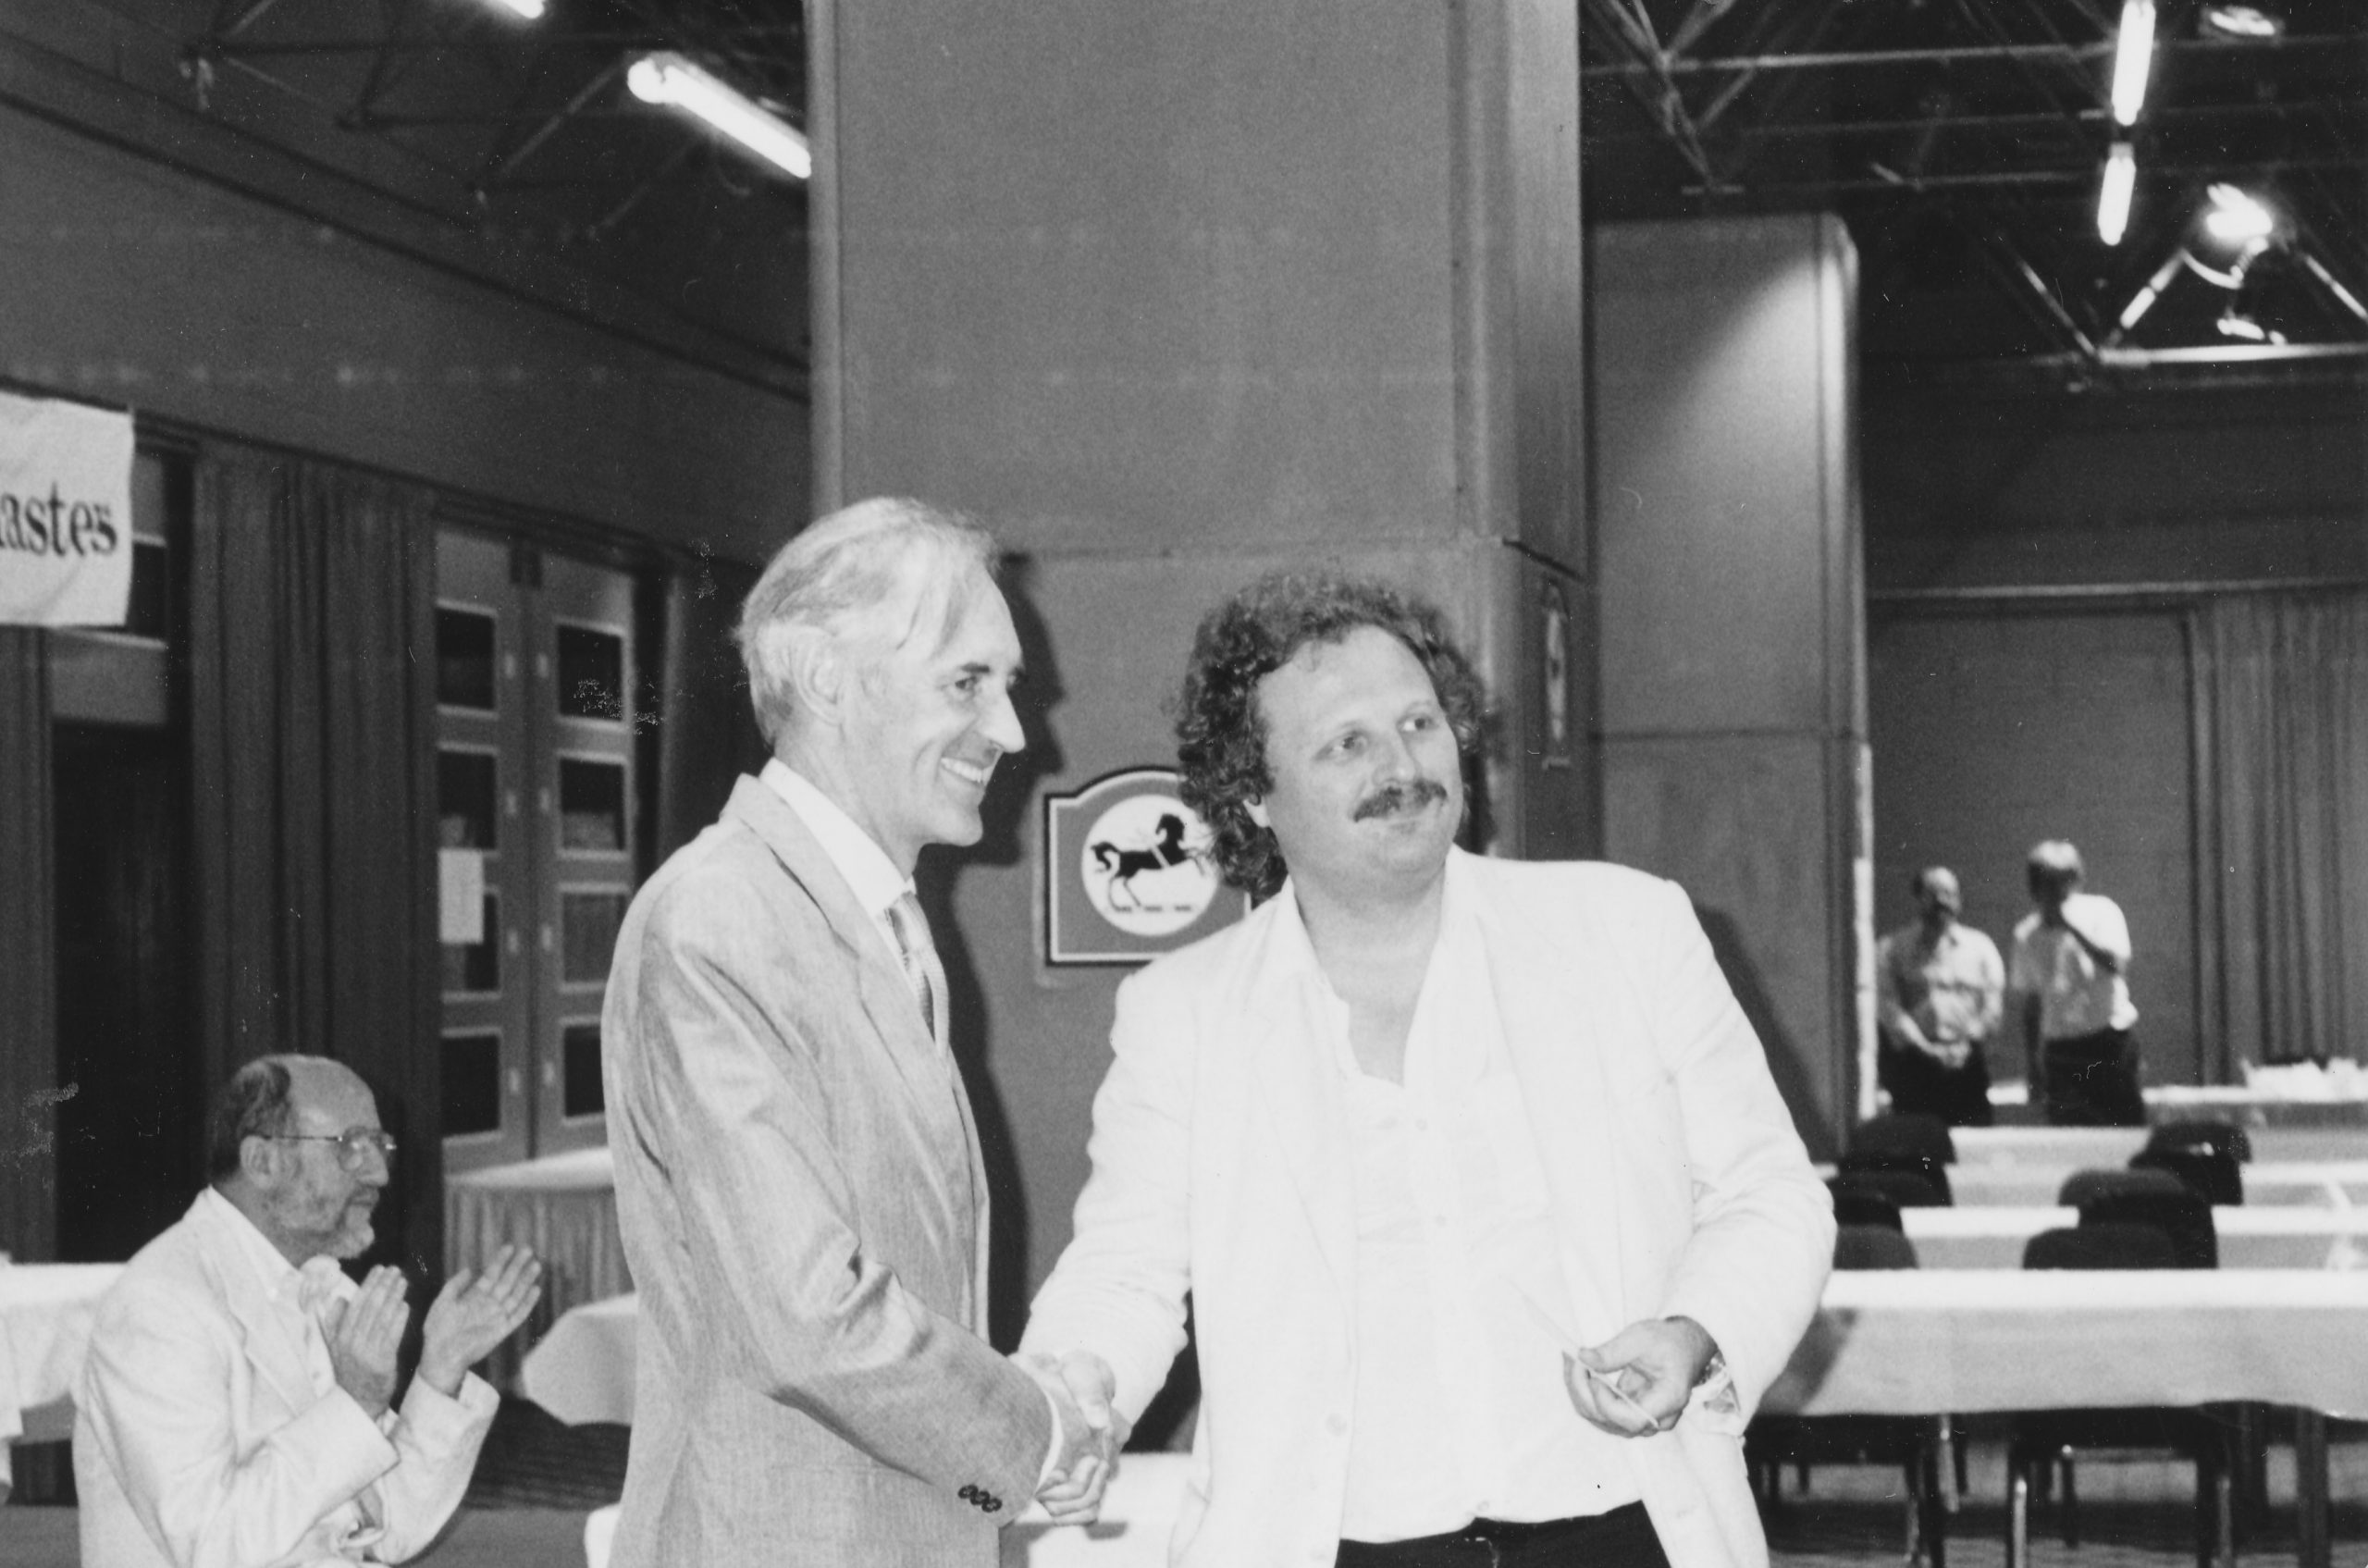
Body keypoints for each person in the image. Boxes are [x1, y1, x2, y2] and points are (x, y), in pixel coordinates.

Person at [1020, 570, 1834, 1568]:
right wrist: (1070, 1391)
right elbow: (1124, 1271)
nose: (1401, 766)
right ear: (1251, 795)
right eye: (1346, 744)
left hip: (1626, 1530)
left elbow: (1771, 1195)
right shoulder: (1182, 1013)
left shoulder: (1626, 931)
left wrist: (1693, 1332)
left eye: (1418, 723)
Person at [601, 498, 1114, 1568]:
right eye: (966, 682)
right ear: (828, 679)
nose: (1014, 734)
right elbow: (812, 1316)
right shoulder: (720, 917)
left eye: (1005, 687)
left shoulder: (881, 923)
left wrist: (1009, 1460)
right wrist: (1038, 1428)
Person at [75, 1056, 542, 1568]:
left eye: (380, 1146)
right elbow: (212, 1547)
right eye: (351, 1147)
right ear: (263, 1162)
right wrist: (355, 1401)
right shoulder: (161, 1307)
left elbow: (389, 1530)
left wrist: (440, 1371)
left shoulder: (320, 1285)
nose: (381, 1173)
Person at [2010, 839, 2142, 1126]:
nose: (2059, 891)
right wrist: (2033, 1065)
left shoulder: (2102, 911)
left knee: (2123, 1129)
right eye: (2049, 883)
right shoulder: (2026, 935)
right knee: (2069, 1134)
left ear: (2077, 880)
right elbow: (2032, 1003)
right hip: (2061, 1050)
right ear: (2035, 888)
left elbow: (2115, 965)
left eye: (2065, 880)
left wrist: (2071, 927)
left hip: (2108, 1040)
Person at [1874, 866, 2004, 1127]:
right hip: (1916, 1069)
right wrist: (1926, 1049)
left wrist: (1966, 1044)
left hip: (1967, 1066)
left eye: (1950, 893)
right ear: (1918, 898)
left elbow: (1992, 1006)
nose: (1943, 901)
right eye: (1934, 894)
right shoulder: (1892, 949)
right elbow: (1889, 1008)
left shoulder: (1981, 948)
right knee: (1917, 1150)